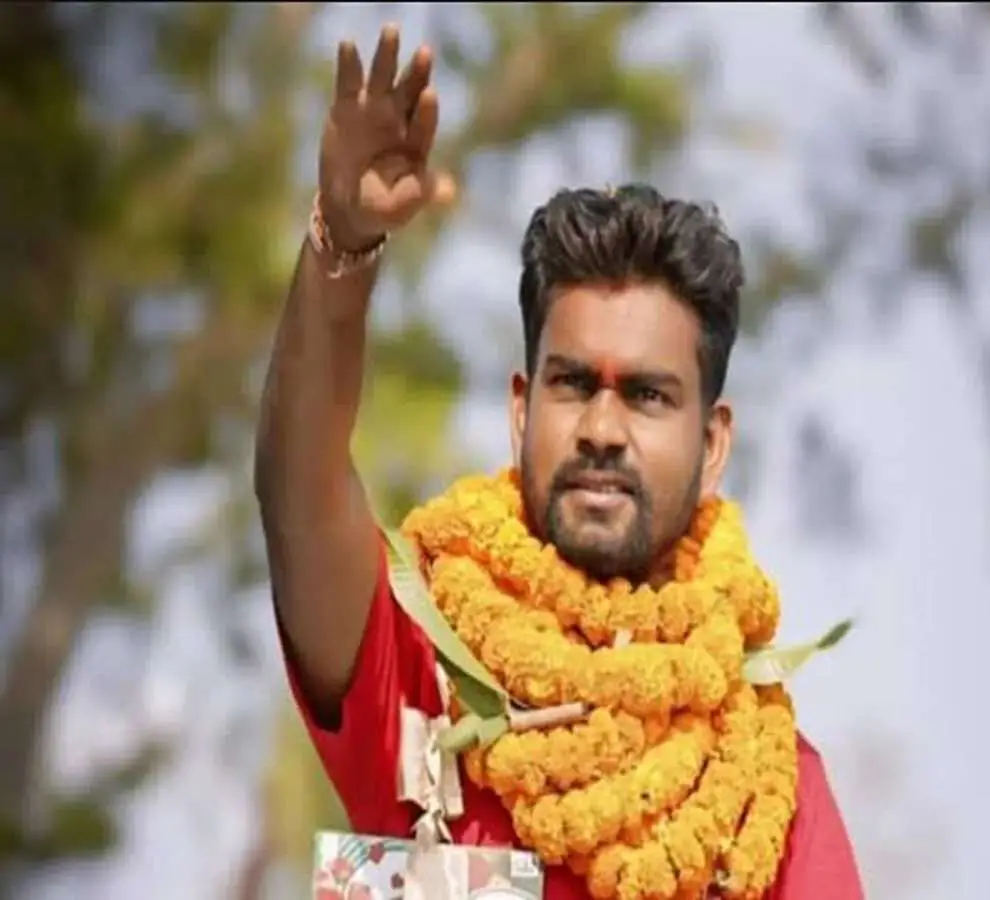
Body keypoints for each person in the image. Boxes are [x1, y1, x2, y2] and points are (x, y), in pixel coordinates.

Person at [256, 21, 864, 900]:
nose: (603, 427)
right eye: (574, 383)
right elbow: (296, 488)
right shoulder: (423, 678)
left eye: (649, 395)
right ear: (520, 408)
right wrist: (340, 252)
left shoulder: (768, 785)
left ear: (714, 443)